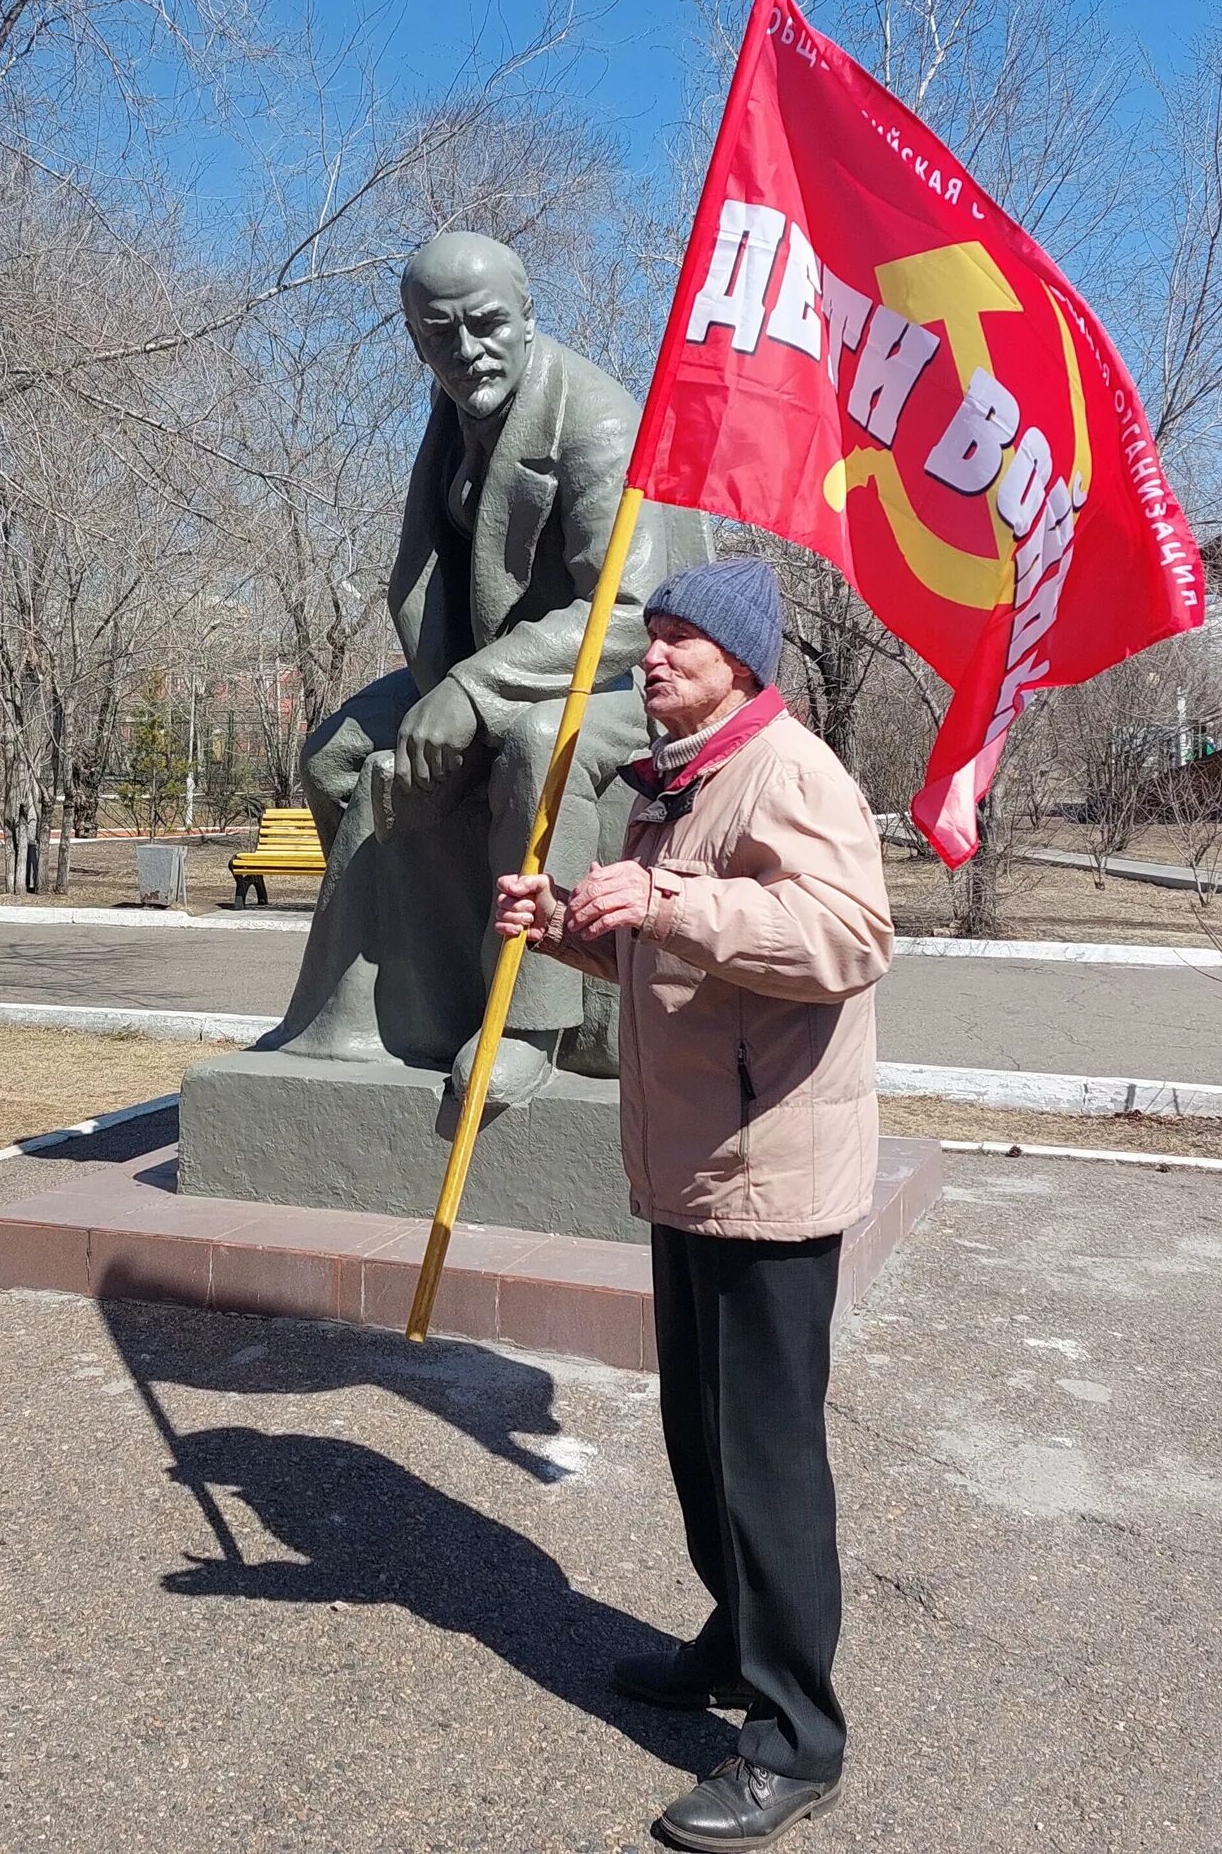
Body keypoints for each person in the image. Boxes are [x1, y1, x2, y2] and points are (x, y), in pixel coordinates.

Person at [491, 556, 894, 1852]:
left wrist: (666, 894)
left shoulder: (792, 775)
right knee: (699, 1441)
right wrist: (564, 921)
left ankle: (795, 1736)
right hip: (689, 1171)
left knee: (768, 1461)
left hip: (772, 1175)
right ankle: (735, 1633)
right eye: (648, 637)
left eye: (677, 640)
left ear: (741, 662)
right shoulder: (672, 789)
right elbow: (655, 950)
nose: (651, 658)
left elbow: (847, 936)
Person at [276, 228, 707, 1086]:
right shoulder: (453, 416)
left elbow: (627, 609)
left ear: (527, 315)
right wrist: (449, 690)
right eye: (440, 334)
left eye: (486, 324)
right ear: (416, 338)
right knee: (333, 758)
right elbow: (429, 572)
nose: (467, 352)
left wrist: (473, 696)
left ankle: (529, 1022)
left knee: (541, 743)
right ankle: (418, 998)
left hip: (643, 679)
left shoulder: (597, 421)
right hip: (501, 669)